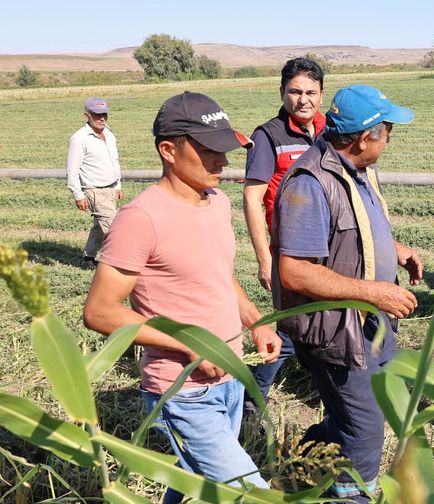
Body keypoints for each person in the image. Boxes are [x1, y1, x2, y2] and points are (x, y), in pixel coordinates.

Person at [82, 91, 280, 503]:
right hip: (183, 390)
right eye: (209, 151)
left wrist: (254, 321)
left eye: (225, 151)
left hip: (229, 379)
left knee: (194, 483)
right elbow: (100, 312)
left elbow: (217, 275)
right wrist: (190, 344)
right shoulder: (141, 219)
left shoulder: (217, 201)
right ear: (168, 150)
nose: (222, 163)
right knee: (253, 493)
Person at [272, 84, 421, 503]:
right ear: (363, 138)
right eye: (387, 130)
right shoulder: (311, 185)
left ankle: (304, 456)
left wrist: (397, 252)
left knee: (373, 403)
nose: (389, 138)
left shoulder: (356, 171)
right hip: (337, 329)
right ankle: (351, 494)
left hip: (369, 322)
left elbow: (356, 235)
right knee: (364, 426)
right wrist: (375, 292)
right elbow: (296, 272)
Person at [242, 57, 325, 410]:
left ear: (321, 95)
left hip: (327, 248)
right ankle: (250, 399)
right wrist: (265, 260)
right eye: (295, 91)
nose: (302, 99)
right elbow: (252, 198)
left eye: (310, 92)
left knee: (328, 321)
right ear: (282, 92)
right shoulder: (268, 136)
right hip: (289, 251)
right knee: (291, 329)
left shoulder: (329, 130)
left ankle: (325, 388)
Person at [66, 97, 123, 269]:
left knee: (99, 227)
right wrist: (78, 194)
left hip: (111, 188)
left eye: (104, 114)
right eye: (97, 114)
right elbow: (72, 170)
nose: (102, 118)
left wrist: (118, 185)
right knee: (114, 229)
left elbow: (114, 161)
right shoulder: (79, 138)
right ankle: (119, 264)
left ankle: (88, 259)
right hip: (94, 191)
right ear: (86, 115)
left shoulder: (109, 135)